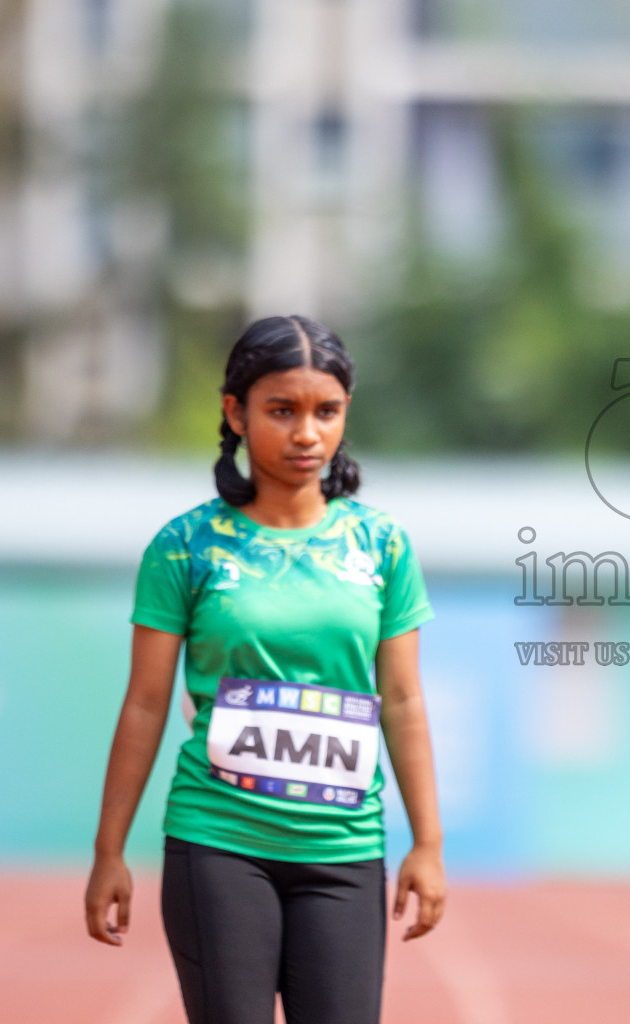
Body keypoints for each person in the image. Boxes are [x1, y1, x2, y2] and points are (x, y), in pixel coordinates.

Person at [83, 316, 446, 1024]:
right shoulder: (183, 546)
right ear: (235, 413)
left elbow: (402, 700)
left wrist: (428, 845)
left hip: (344, 850)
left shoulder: (383, 546)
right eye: (282, 410)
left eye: (326, 411)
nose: (307, 432)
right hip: (219, 842)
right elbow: (146, 704)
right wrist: (109, 850)